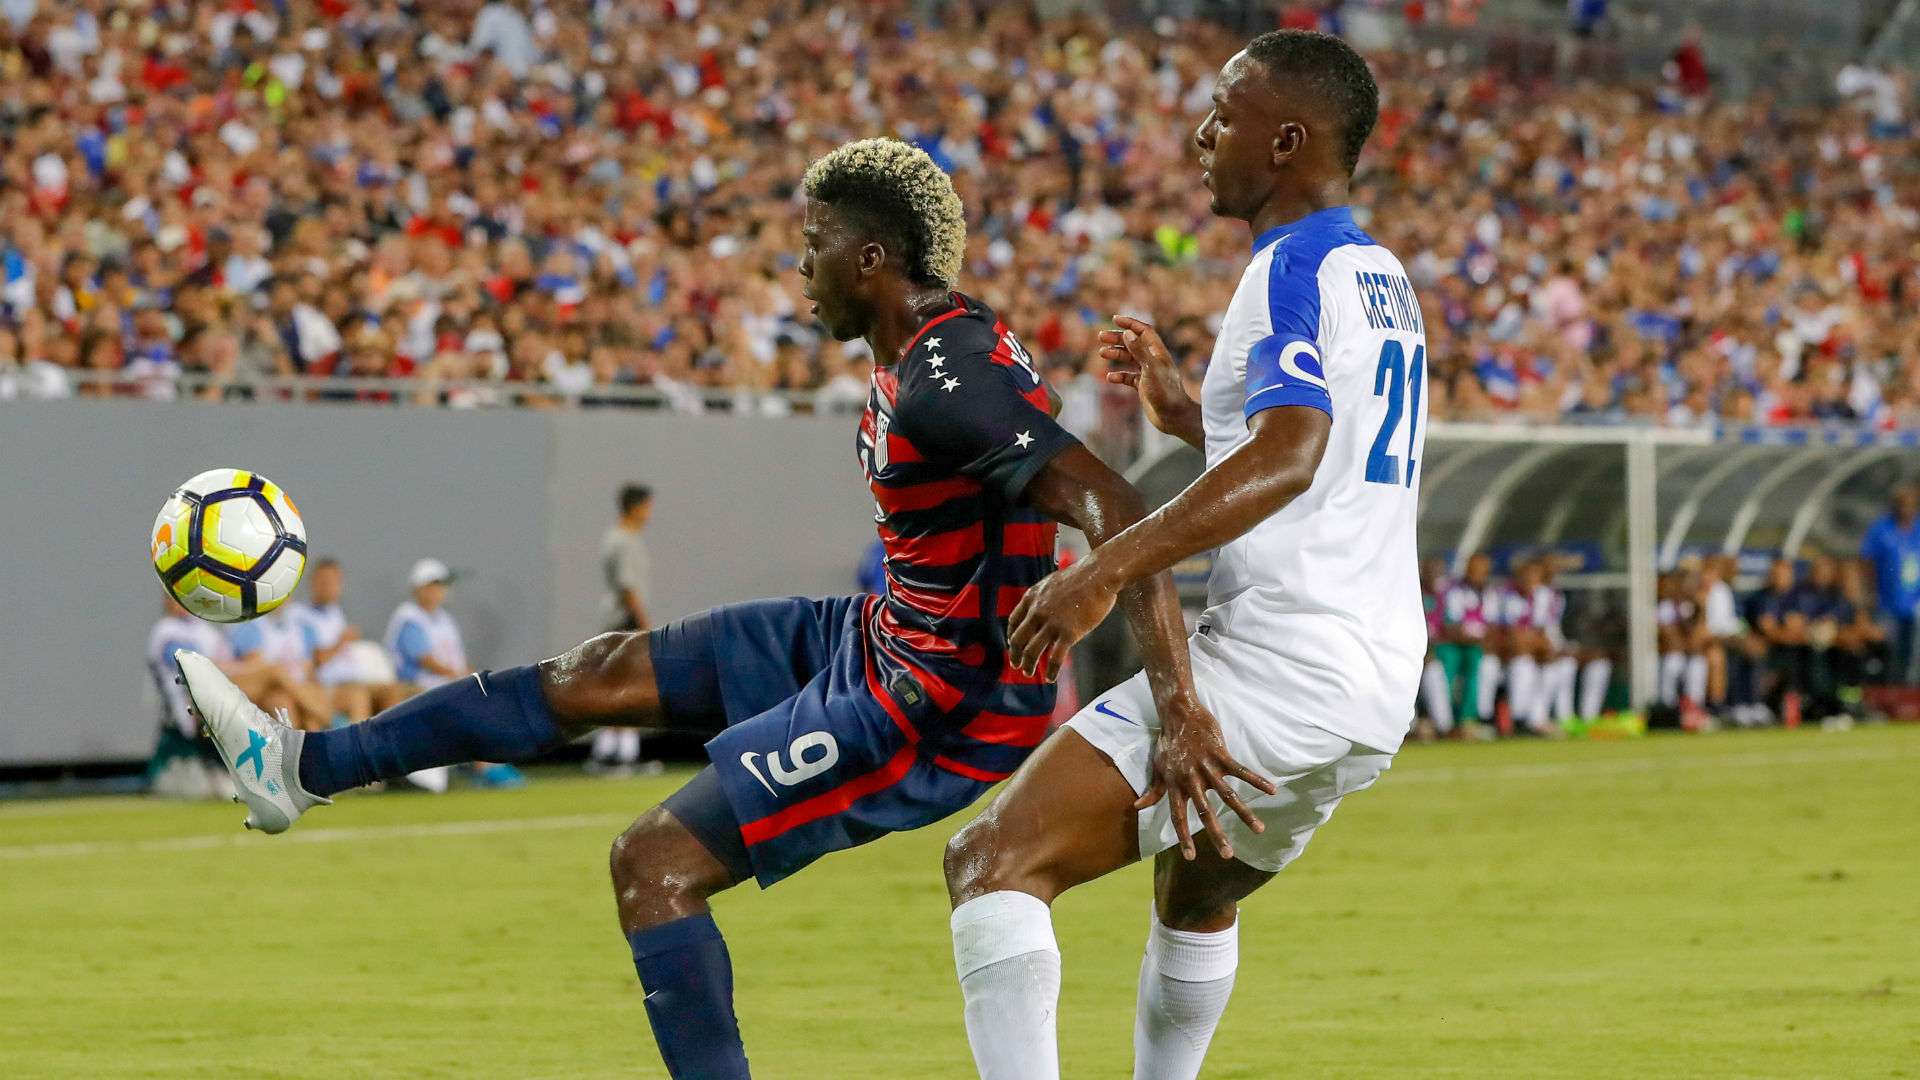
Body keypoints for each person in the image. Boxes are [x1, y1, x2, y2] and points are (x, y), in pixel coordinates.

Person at [172, 137, 1204, 1080]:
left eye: (815, 243)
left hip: (938, 700)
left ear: (872, 260)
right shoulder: (938, 346)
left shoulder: (947, 379)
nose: (799, 267)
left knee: (652, 865)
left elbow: (1114, 505)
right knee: (595, 672)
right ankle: (300, 769)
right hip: (885, 636)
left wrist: (1174, 700)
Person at [937, 32, 1424, 1079]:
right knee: (1196, 890)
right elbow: (1316, 458)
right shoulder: (1379, 274)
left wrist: (1103, 569)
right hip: (1375, 683)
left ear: (1286, 139)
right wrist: (1184, 409)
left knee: (992, 864)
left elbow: (1292, 460)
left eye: (1224, 111)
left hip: (1284, 664)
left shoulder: (1289, 265)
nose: (1202, 134)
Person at [382, 557, 520, 790]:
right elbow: (425, 660)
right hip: (414, 687)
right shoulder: (409, 618)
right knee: (469, 705)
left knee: (486, 698)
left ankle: (487, 763)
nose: (441, 591)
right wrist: (460, 677)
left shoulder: (443, 620)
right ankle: (482, 767)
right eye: (435, 585)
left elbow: (457, 660)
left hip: (441, 685)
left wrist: (474, 678)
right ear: (420, 588)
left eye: (443, 585)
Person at [588, 484, 661, 776]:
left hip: (622, 619)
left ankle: (618, 751)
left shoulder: (624, 538)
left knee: (624, 685)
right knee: (622, 686)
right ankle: (613, 755)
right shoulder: (623, 541)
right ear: (637, 507)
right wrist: (644, 623)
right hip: (623, 620)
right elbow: (628, 587)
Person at [1858, 485, 1920, 685]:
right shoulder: (1881, 529)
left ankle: (1907, 694)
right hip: (1886, 604)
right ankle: (1888, 693)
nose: (1906, 509)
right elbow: (1866, 561)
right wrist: (1869, 593)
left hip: (1914, 605)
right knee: (1888, 652)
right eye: (1902, 504)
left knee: (1911, 653)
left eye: (1910, 504)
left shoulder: (1918, 529)